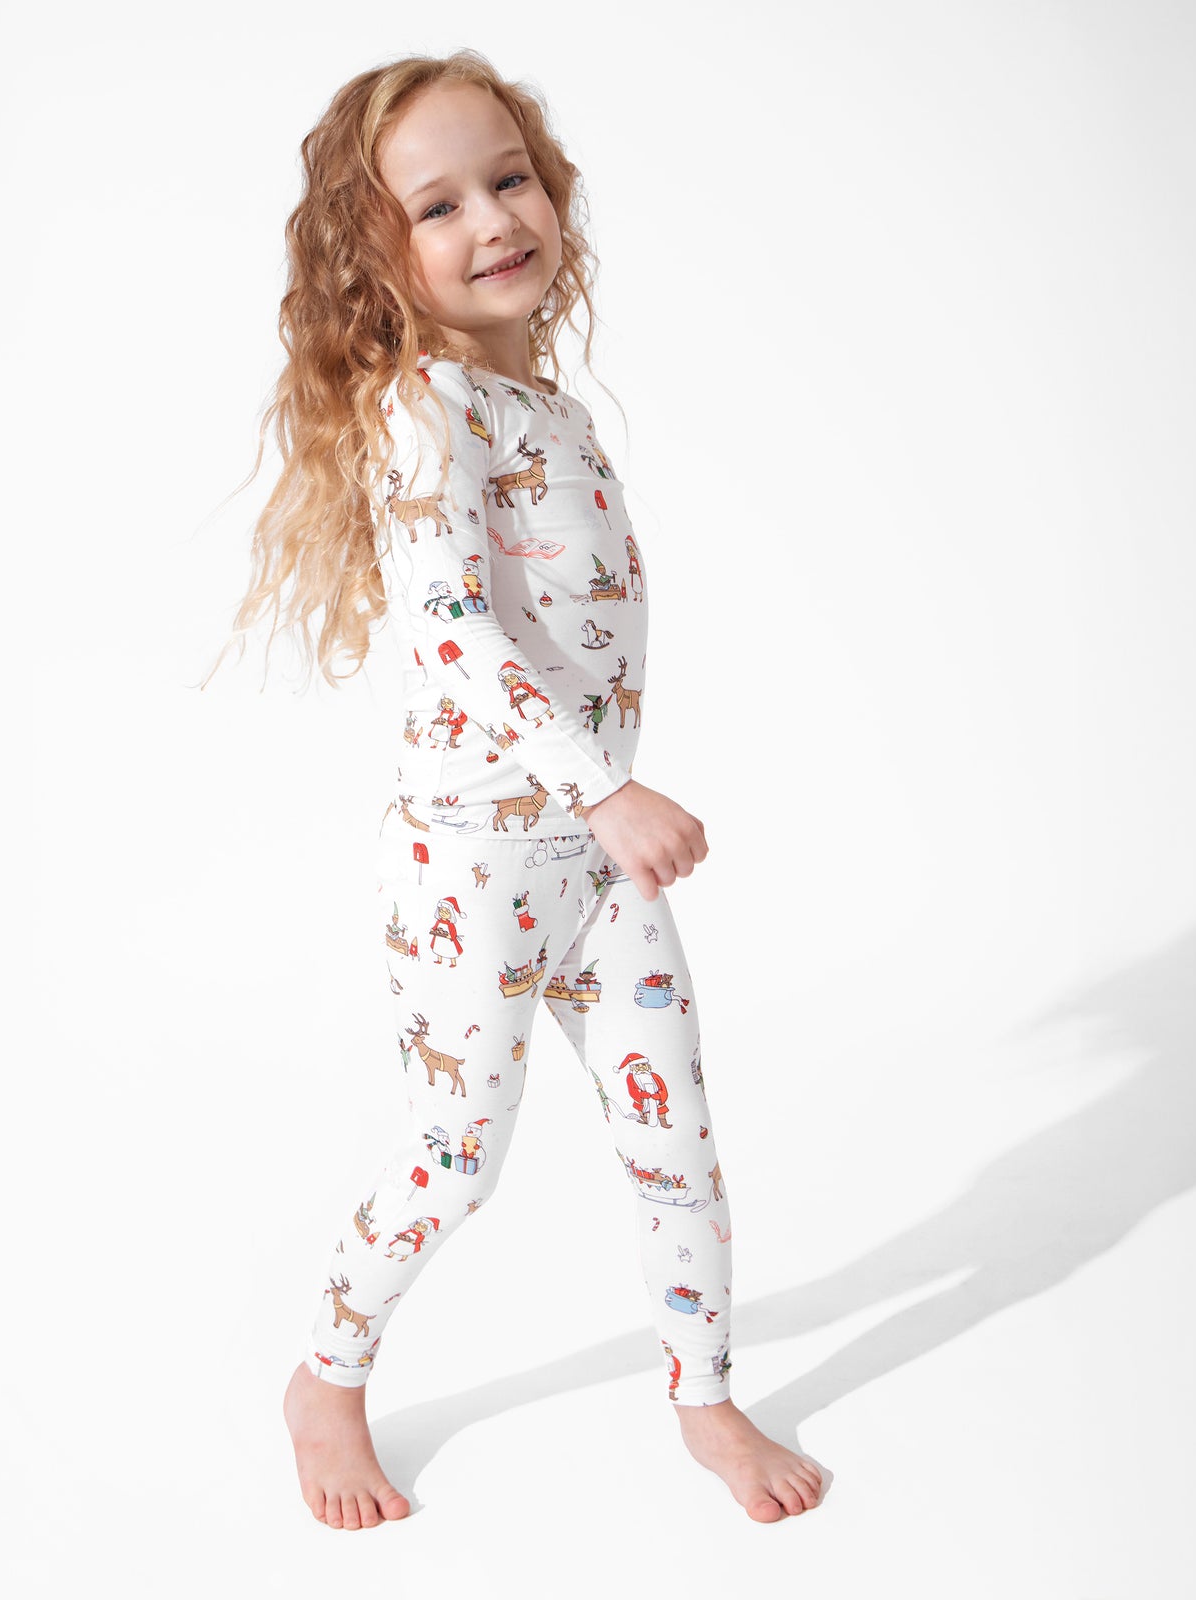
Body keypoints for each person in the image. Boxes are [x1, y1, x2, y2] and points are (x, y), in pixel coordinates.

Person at [207, 49, 826, 1531]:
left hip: (595, 868)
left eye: (512, 179)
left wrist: (601, 813)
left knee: (675, 1139)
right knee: (457, 1157)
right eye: (438, 206)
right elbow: (452, 630)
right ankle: (326, 1378)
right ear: (374, 258)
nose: (494, 218)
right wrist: (606, 788)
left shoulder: (544, 406)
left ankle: (704, 1395)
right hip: (478, 869)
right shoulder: (427, 405)